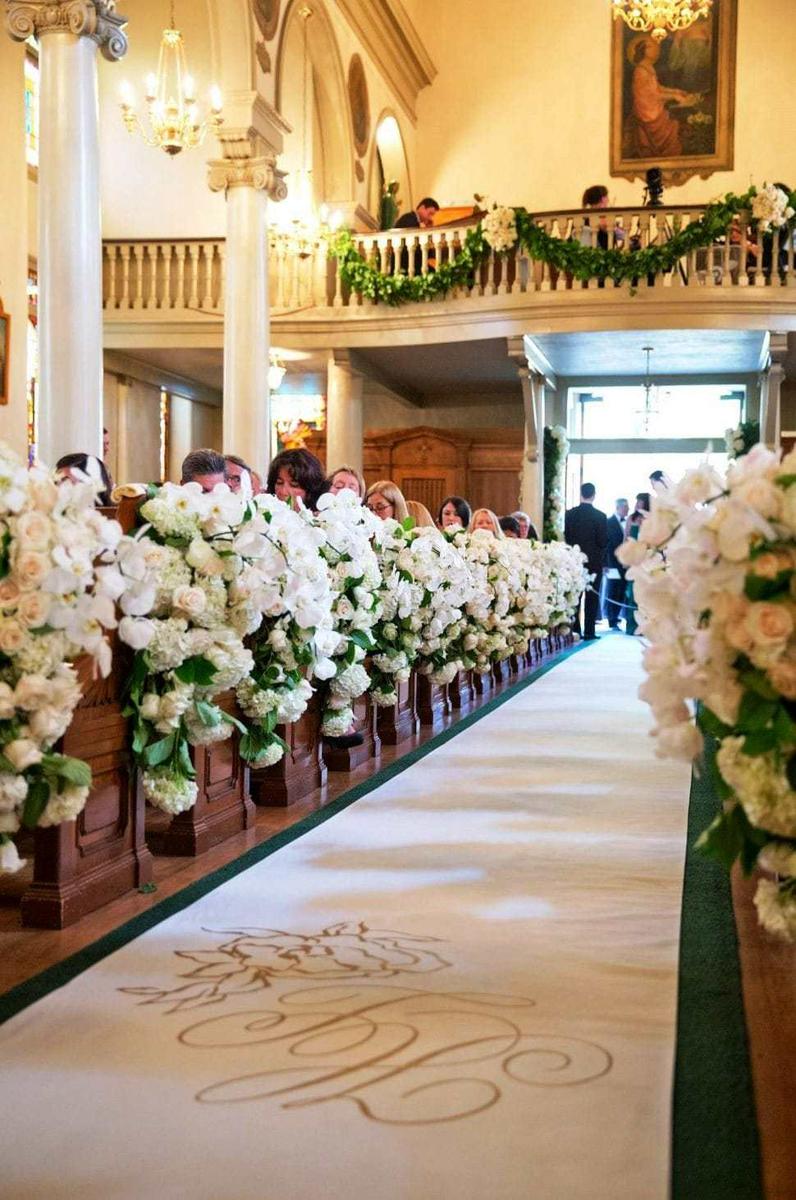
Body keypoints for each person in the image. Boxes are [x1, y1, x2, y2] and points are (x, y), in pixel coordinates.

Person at [629, 35, 697, 160]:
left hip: (652, 106)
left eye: (654, 46)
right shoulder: (641, 71)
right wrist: (675, 96)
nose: (655, 49)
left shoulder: (647, 67)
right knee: (673, 125)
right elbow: (652, 95)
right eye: (650, 46)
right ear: (642, 50)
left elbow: (657, 88)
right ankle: (668, 154)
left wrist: (675, 91)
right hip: (647, 111)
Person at [564, 482, 608, 641]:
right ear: (594, 495)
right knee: (592, 597)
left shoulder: (569, 515)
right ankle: (589, 631)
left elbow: (567, 537)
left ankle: (575, 629)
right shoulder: (601, 516)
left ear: (580, 494)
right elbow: (603, 542)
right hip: (594, 564)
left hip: (574, 562)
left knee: (575, 596)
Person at [624, 493, 651, 636]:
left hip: (647, 559)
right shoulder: (631, 518)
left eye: (640, 502)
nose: (638, 504)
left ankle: (646, 626)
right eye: (637, 502)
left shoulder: (650, 518)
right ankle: (631, 625)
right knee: (632, 593)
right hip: (634, 559)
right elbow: (625, 539)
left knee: (646, 593)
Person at [604, 497, 629, 630]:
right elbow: (605, 545)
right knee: (612, 590)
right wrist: (605, 564)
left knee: (621, 591)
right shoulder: (608, 522)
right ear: (618, 508)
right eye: (625, 508)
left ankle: (617, 615)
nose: (627, 510)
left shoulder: (629, 522)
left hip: (625, 564)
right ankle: (611, 618)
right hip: (612, 563)